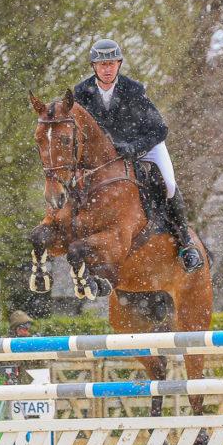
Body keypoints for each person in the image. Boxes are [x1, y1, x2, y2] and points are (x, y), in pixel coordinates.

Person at [73, 38, 204, 272]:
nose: (107, 69)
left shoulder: (133, 89)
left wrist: (134, 148)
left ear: (119, 64)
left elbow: (159, 129)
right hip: (107, 156)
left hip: (145, 145)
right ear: (94, 66)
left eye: (111, 64)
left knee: (169, 184)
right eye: (102, 64)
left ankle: (186, 243)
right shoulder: (82, 92)